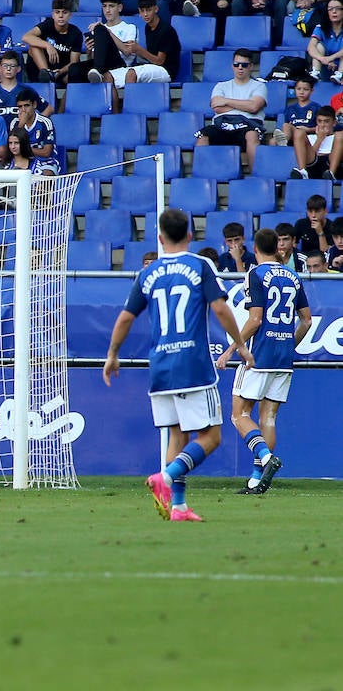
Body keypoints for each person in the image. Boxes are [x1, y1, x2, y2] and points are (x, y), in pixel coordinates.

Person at [104, 208, 250, 522]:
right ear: (189, 235)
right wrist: (239, 344)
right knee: (211, 437)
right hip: (193, 364)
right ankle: (166, 478)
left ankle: (178, 506)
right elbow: (221, 309)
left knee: (177, 435)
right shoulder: (200, 265)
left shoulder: (148, 273)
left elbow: (126, 317)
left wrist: (113, 353)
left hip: (160, 366)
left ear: (159, 238)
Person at [89, 0, 180, 112]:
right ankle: (115, 116)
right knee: (107, 76)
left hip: (166, 70)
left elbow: (160, 61)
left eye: (149, 10)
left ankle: (129, 114)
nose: (145, 14)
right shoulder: (148, 28)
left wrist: (138, 50)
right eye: (142, 11)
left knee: (131, 73)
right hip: (152, 66)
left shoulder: (166, 30)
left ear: (156, 9)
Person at [195, 48, 267, 170]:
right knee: (203, 137)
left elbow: (254, 107)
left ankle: (257, 176)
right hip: (222, 124)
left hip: (247, 125)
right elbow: (216, 107)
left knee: (251, 135)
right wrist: (245, 106)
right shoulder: (221, 86)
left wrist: (226, 101)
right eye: (236, 64)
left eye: (244, 65)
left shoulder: (259, 86)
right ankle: (202, 174)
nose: (240, 68)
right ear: (232, 66)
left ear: (251, 66)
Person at [21, 0, 82, 87]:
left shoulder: (76, 33)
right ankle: (46, 74)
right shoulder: (48, 24)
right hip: (40, 68)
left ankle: (67, 99)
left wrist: (60, 71)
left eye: (64, 12)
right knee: (33, 46)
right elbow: (26, 37)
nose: (61, 16)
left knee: (74, 77)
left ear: (70, 15)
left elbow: (74, 62)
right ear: (53, 15)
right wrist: (47, 45)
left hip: (62, 70)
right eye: (57, 12)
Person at [292, 103, 342, 180]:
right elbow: (309, 158)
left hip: (332, 165)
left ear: (334, 123)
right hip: (312, 166)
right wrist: (319, 139)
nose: (322, 125)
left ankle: (331, 174)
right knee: (299, 132)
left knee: (340, 135)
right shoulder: (310, 137)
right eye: (319, 121)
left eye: (326, 121)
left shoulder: (338, 138)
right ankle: (303, 172)